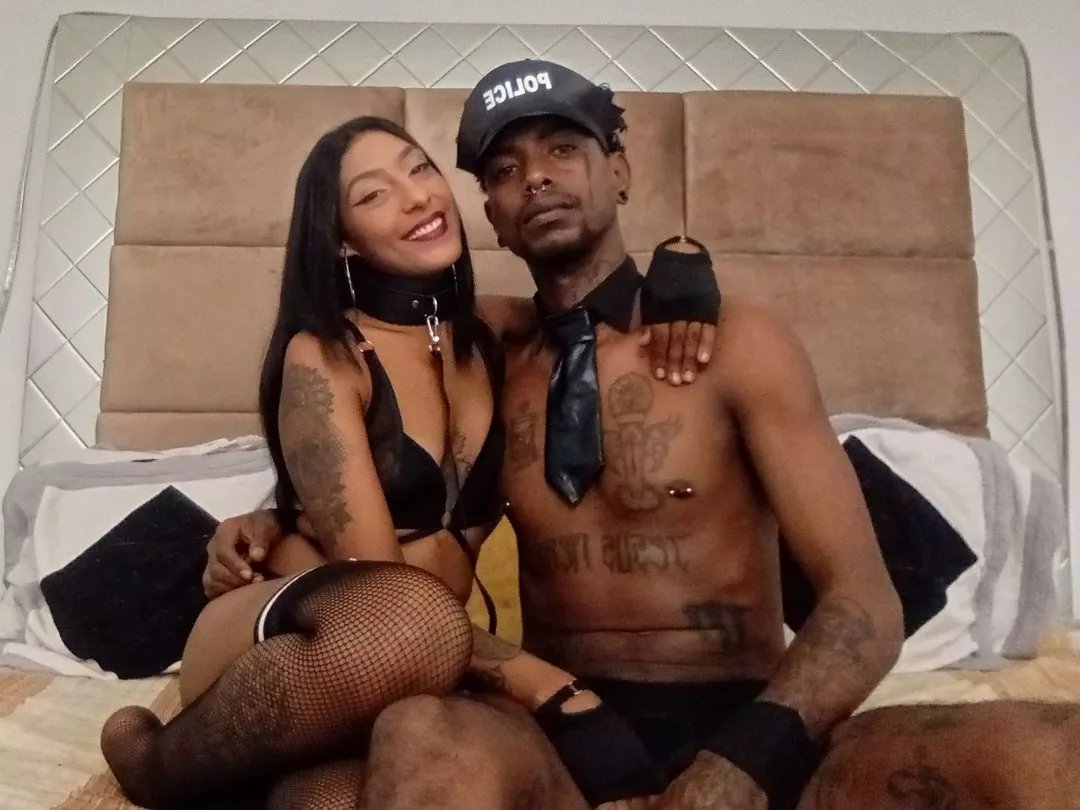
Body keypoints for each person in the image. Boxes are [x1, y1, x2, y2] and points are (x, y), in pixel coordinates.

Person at [208, 59, 1080, 810]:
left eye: (564, 149)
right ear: (492, 216)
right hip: (557, 737)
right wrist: (272, 515)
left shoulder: (738, 343)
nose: (536, 178)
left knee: (1048, 751)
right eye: (506, 170)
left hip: (752, 718)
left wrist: (744, 763)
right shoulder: (487, 354)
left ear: (619, 171)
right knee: (418, 732)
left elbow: (864, 602)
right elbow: (373, 438)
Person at [98, 110, 718, 809]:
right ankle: (155, 765)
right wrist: (555, 688)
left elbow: (594, 297)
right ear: (341, 239)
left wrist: (685, 268)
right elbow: (380, 590)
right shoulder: (328, 357)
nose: (417, 196)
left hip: (418, 677)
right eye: (373, 194)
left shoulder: (497, 333)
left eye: (420, 170)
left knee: (340, 799)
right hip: (302, 642)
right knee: (410, 619)